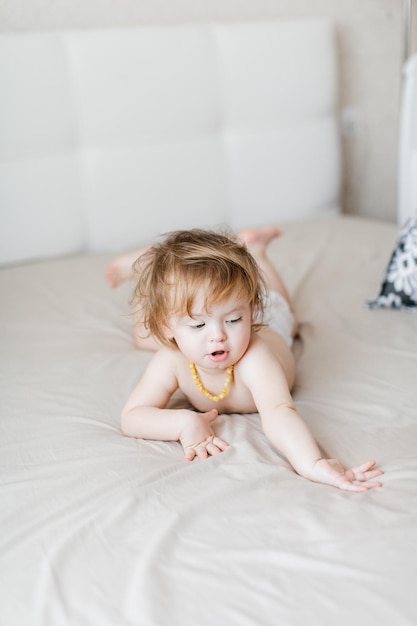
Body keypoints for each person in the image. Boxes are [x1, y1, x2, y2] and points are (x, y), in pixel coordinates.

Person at [106, 226, 383, 492]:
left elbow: (279, 412)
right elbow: (132, 417)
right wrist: (183, 423)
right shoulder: (172, 358)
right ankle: (145, 265)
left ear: (250, 313)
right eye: (198, 325)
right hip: (195, 318)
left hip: (274, 325)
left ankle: (257, 252)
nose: (218, 336)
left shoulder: (255, 357)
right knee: (143, 337)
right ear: (170, 328)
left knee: (287, 315)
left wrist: (312, 463)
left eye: (234, 320)